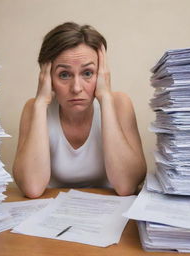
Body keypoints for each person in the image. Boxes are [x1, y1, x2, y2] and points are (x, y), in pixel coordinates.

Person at [13, 22, 147, 198]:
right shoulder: (34, 108)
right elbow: (32, 188)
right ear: (48, 77)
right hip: (52, 212)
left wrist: (105, 97)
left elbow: (126, 186)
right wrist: (40, 103)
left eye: (88, 73)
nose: (76, 88)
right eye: (64, 74)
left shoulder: (120, 104)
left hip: (107, 212)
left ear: (101, 73)